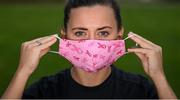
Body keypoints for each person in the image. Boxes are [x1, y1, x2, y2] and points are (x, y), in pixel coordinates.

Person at [1, 0, 177, 99]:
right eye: (79, 32)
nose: (92, 43)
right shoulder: (46, 91)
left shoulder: (140, 90)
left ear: (119, 33)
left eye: (103, 32)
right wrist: (23, 72)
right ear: (64, 35)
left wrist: (158, 76)